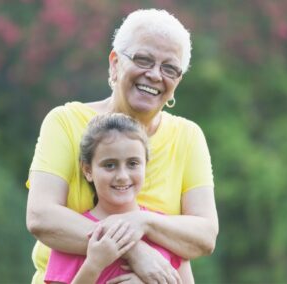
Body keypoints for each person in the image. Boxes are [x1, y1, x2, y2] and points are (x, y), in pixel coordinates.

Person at [26, 8, 219, 284]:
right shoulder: (65, 122)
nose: (154, 75)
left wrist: (143, 223)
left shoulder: (188, 137)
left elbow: (203, 236)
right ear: (115, 63)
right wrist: (136, 251)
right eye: (143, 59)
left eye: (169, 68)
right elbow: (41, 218)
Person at [44, 113, 193, 284]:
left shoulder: (166, 232)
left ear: (146, 165)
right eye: (110, 165)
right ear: (88, 170)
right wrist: (93, 265)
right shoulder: (69, 236)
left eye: (133, 164)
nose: (122, 176)